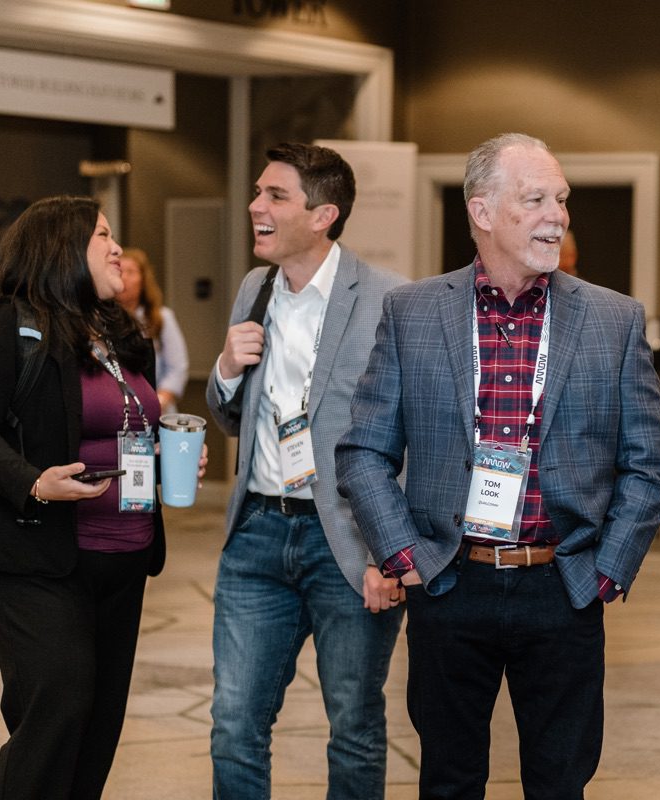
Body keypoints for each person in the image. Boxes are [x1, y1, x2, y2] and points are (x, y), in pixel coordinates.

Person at [335, 132, 660, 799]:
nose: (558, 215)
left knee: (559, 783)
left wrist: (609, 570)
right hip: (449, 583)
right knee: (449, 781)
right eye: (537, 199)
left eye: (562, 199)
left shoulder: (615, 320)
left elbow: (649, 466)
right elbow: (363, 451)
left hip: (563, 586)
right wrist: (404, 553)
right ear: (483, 211)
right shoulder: (412, 312)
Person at [0, 195, 207, 800]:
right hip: (33, 556)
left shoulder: (118, 331)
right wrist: (34, 481)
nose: (118, 248)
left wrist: (165, 451)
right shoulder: (8, 325)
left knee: (97, 728)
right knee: (59, 704)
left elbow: (127, 419)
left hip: (123, 558)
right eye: (102, 236)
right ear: (61, 249)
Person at [205, 142, 406, 800]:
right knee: (235, 721)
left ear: (323, 216)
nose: (255, 206)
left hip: (346, 541)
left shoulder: (387, 301)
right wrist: (226, 371)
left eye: (275, 196)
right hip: (258, 533)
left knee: (353, 723)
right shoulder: (252, 290)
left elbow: (413, 439)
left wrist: (390, 550)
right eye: (259, 193)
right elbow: (232, 418)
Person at [117, 247, 189, 413]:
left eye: (131, 272)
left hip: (157, 407)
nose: (124, 277)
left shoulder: (161, 318)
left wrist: (158, 400)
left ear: (143, 280)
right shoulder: (100, 319)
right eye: (120, 271)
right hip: (118, 408)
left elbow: (177, 368)